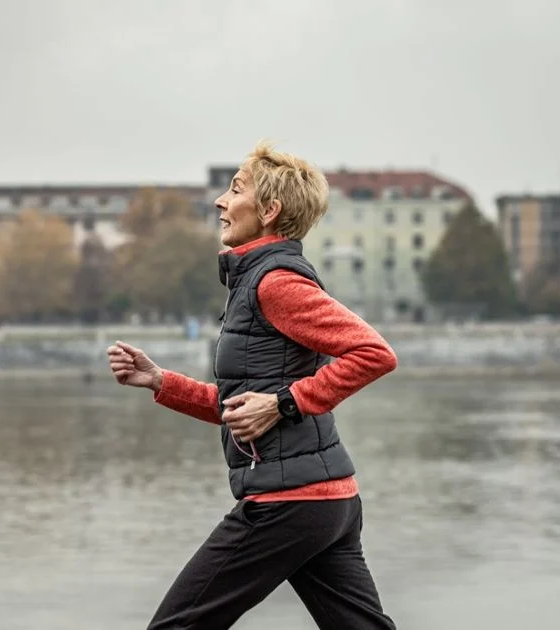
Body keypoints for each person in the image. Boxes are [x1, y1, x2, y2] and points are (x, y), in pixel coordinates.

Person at [106, 141, 399, 629]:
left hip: (289, 503)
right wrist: (160, 381)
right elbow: (242, 407)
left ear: (269, 210)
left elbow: (373, 354)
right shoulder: (251, 282)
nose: (221, 201)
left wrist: (284, 403)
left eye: (235, 189)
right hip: (326, 501)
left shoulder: (275, 283)